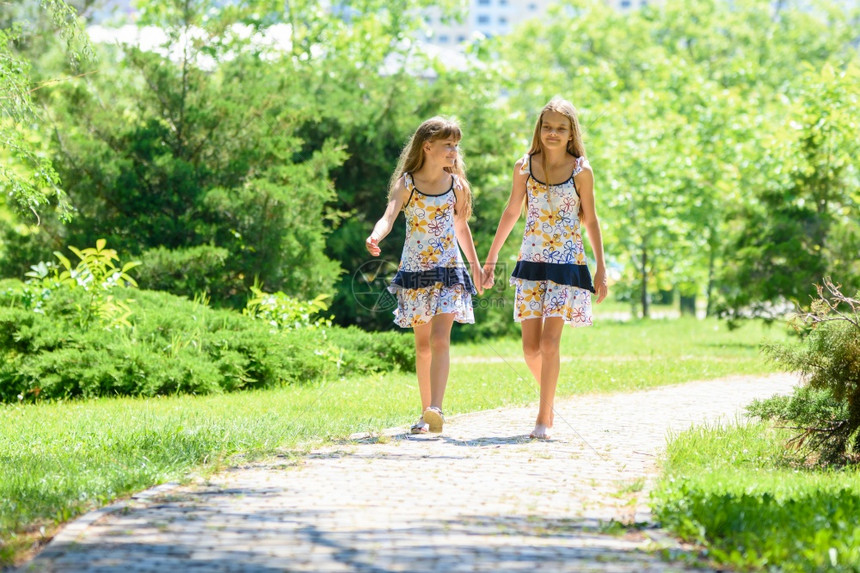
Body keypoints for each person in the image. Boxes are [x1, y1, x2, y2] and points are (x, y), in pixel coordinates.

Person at [482, 98, 607, 440]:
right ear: (539, 129)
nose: (553, 133)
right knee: (529, 349)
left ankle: (543, 418)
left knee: (550, 344)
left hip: (567, 263)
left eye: (560, 128)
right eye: (547, 126)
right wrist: (490, 260)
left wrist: (601, 268)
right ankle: (550, 400)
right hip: (531, 262)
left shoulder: (582, 171)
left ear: (571, 134)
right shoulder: (524, 166)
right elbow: (511, 212)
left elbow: (592, 220)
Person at [366, 117, 483, 434]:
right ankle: (424, 413)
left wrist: (475, 266)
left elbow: (461, 228)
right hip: (415, 273)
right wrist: (375, 236)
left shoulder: (456, 186)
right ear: (427, 146)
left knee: (440, 338)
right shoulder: (406, 184)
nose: (454, 151)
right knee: (422, 346)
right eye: (448, 145)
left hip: (448, 271)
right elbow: (389, 217)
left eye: (456, 145)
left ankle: (437, 409)